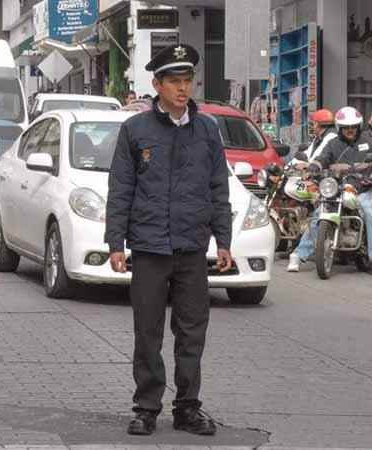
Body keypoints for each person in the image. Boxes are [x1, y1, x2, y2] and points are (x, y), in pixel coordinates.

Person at [105, 44, 232, 436]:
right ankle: (145, 408)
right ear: (157, 84)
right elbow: (121, 189)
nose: (183, 89)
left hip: (192, 248)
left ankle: (187, 408)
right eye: (174, 81)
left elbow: (218, 187)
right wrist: (116, 243)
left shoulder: (207, 129)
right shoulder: (135, 130)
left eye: (188, 80)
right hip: (149, 248)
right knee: (148, 331)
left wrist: (223, 241)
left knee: (192, 331)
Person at [291, 106, 372, 271]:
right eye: (346, 127)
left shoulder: (367, 140)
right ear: (339, 128)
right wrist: (314, 166)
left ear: (358, 126)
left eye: (353, 127)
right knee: (319, 214)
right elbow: (323, 158)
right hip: (339, 187)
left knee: (370, 211)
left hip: (363, 187)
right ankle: (299, 255)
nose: (350, 130)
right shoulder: (333, 143)